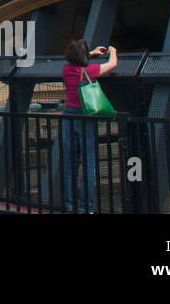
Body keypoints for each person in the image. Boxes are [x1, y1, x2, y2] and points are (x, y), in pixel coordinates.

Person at [62, 40, 118, 214]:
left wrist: (91, 54)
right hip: (85, 116)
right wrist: (113, 51)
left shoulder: (66, 70)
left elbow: (76, 60)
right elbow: (112, 64)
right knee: (89, 163)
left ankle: (70, 204)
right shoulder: (88, 71)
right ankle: (85, 207)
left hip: (68, 115)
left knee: (71, 163)